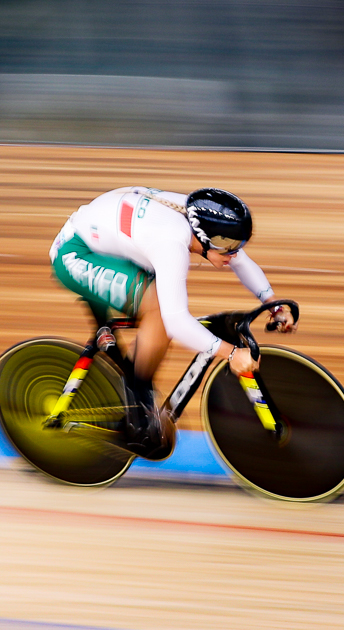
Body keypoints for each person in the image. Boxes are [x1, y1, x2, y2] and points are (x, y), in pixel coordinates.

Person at [49, 186, 294, 452]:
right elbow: (176, 322)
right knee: (158, 312)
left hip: (111, 240)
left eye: (238, 244)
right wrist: (232, 354)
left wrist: (272, 304)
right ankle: (139, 406)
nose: (234, 253)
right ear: (204, 236)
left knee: (160, 309)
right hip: (76, 254)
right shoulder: (171, 242)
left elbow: (241, 261)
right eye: (228, 247)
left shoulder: (200, 219)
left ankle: (136, 382)